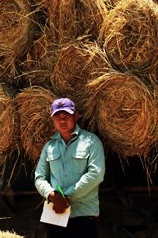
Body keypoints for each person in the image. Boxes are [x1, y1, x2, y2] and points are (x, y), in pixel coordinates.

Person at [35, 97, 105, 238]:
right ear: (53, 120)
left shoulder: (91, 141)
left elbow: (96, 174)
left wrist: (66, 197)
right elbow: (39, 177)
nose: (62, 120)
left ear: (76, 116)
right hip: (55, 215)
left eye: (66, 116)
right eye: (57, 117)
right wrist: (51, 195)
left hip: (83, 214)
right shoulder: (49, 147)